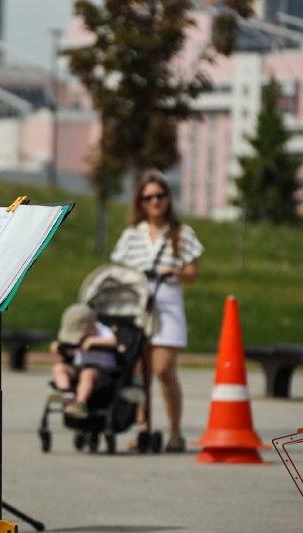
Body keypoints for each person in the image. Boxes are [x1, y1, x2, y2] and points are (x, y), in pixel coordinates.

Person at [111, 169, 203, 453]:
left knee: (164, 370)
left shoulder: (181, 233)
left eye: (160, 196)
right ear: (140, 202)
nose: (155, 202)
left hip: (168, 307)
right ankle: (143, 430)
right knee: (141, 373)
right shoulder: (131, 236)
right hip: (139, 309)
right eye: (148, 197)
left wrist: (173, 270)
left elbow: (192, 272)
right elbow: (119, 270)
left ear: (168, 198)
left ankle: (175, 431)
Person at [50, 303, 118, 419]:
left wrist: (94, 341)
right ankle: (68, 397)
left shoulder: (102, 331)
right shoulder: (74, 335)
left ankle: (80, 404)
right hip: (79, 366)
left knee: (87, 374)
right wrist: (58, 347)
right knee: (58, 368)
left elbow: (113, 342)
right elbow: (67, 348)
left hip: (101, 370)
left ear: (91, 327)